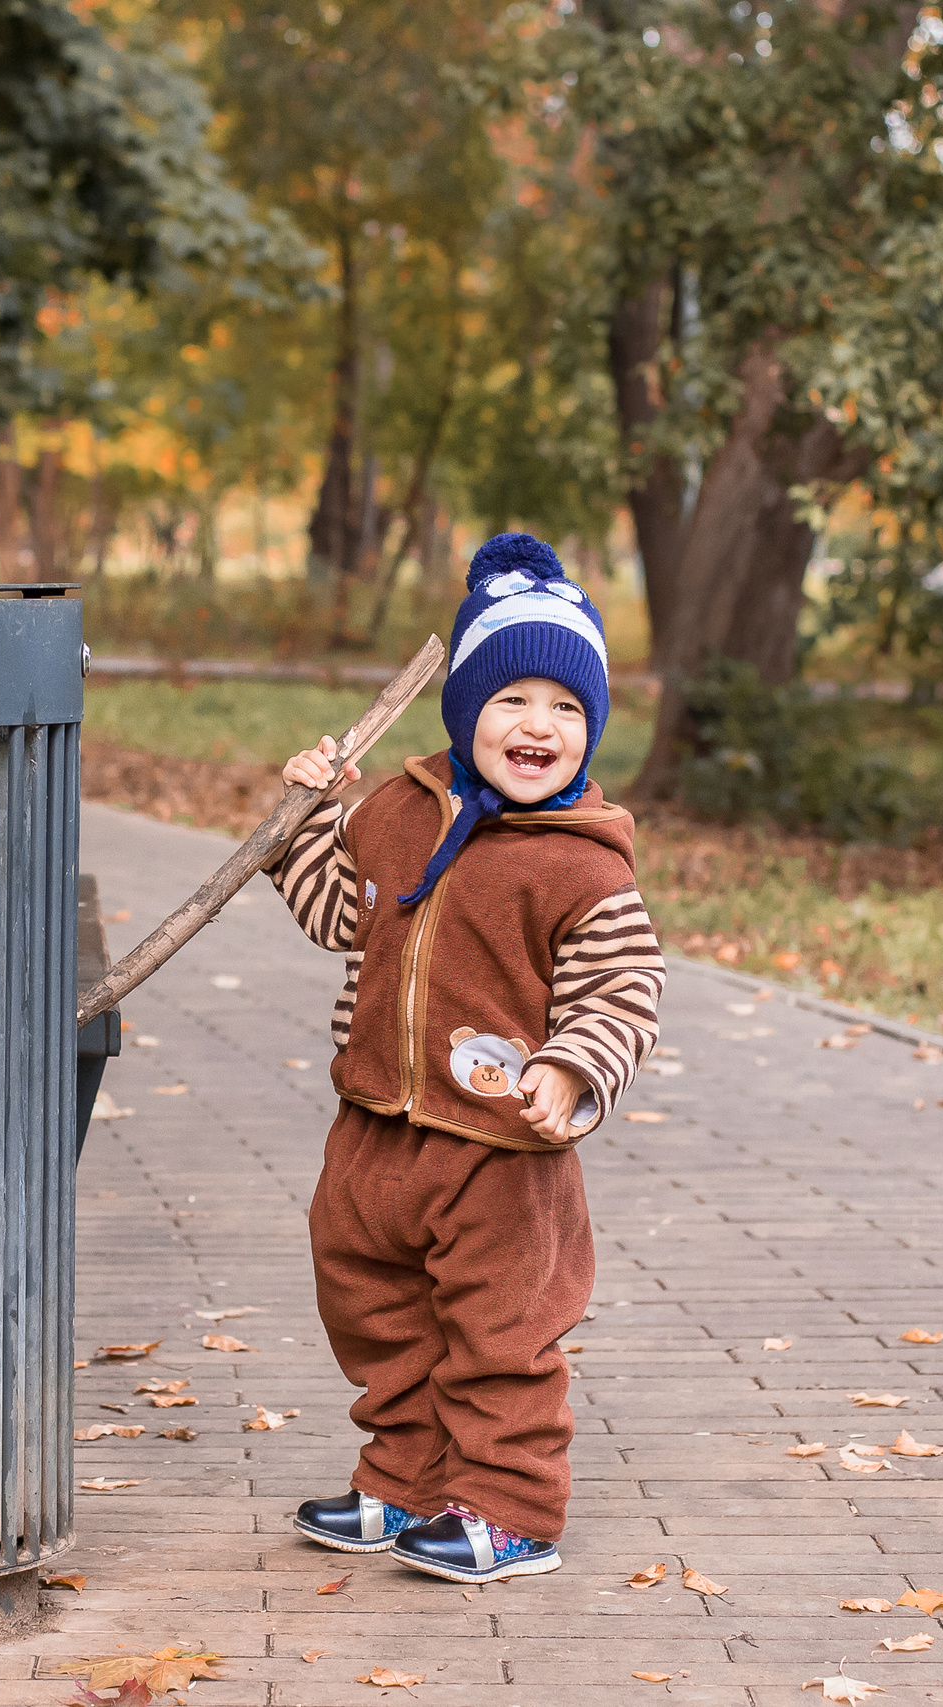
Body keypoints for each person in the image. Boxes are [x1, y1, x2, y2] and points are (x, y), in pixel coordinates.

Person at [266, 531, 663, 1584]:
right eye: (512, 699)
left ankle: (510, 1506)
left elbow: (623, 992)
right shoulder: (398, 811)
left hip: (498, 1152)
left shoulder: (580, 867)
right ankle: (403, 1483)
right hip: (374, 1132)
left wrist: (572, 1068)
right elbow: (333, 915)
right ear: (460, 711)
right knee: (372, 1308)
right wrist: (302, 816)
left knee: (500, 1332)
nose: (540, 725)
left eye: (566, 708)